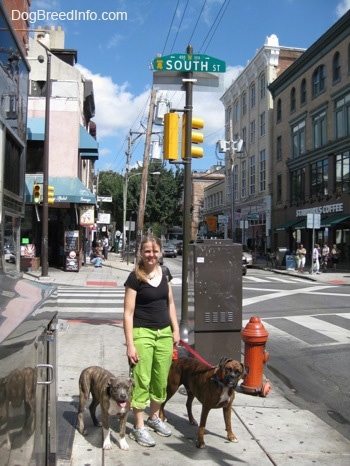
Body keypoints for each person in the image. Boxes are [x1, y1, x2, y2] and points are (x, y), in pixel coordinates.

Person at [123, 235, 180, 447]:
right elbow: (128, 313)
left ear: (160, 252)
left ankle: (154, 417)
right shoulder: (135, 277)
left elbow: (171, 304)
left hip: (164, 333)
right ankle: (138, 427)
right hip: (142, 333)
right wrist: (130, 343)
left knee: (160, 379)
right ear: (141, 252)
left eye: (155, 251)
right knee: (142, 379)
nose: (151, 255)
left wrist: (175, 330)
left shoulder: (164, 273)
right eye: (147, 251)